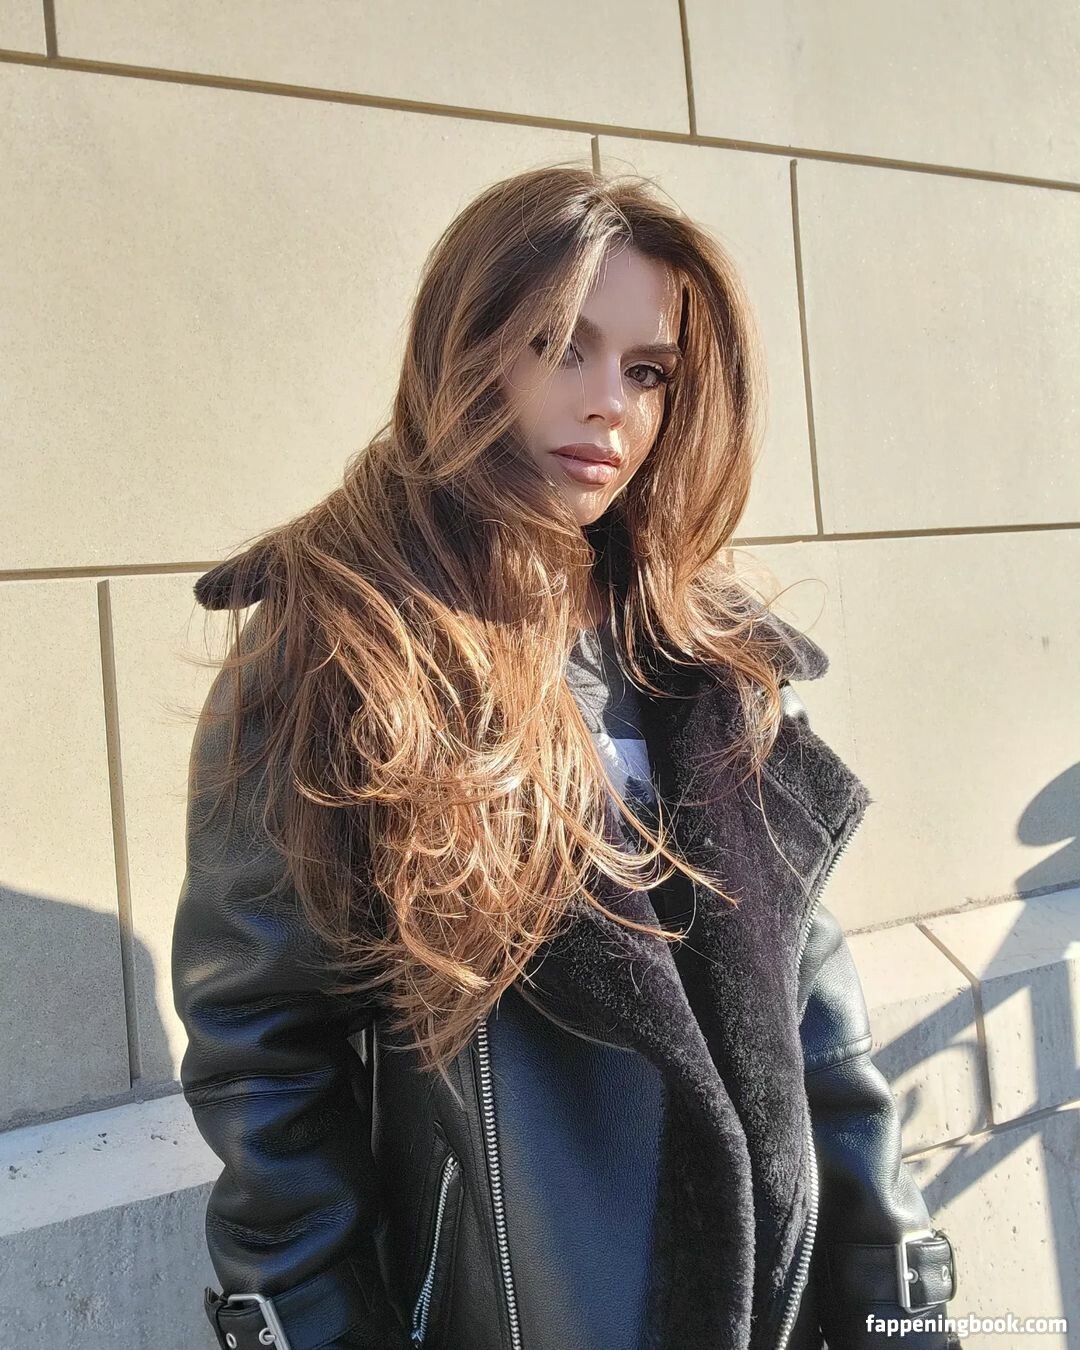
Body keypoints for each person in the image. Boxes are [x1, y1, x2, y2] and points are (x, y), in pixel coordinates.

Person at [171, 163, 962, 1350]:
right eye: (560, 346)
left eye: (648, 370)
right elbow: (263, 1058)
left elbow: (817, 1032)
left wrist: (900, 1306)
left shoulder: (707, 656)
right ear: (467, 349)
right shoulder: (341, 647)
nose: (611, 407)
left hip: (768, 1306)